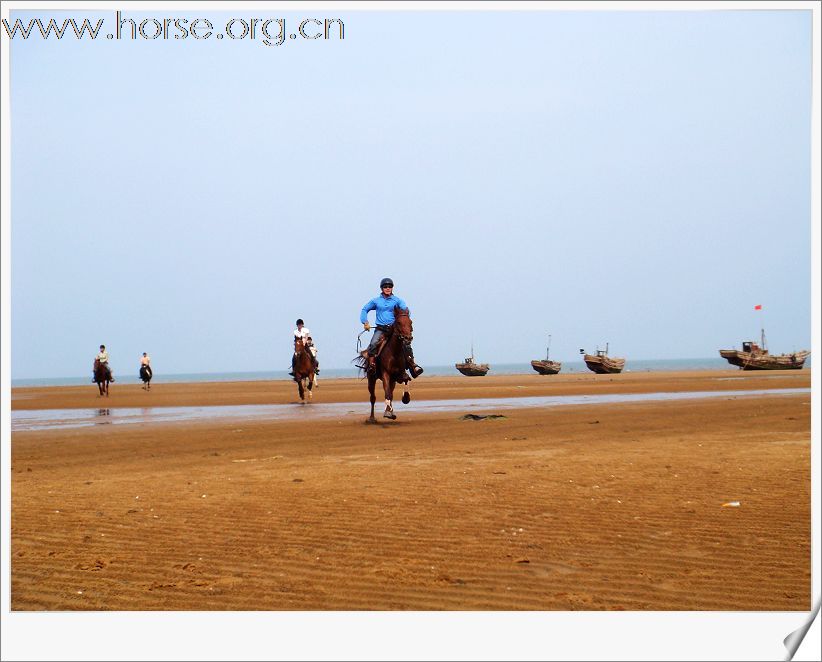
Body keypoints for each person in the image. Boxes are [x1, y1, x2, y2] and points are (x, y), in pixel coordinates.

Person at [360, 277, 423, 378]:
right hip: (381, 329)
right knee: (373, 344)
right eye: (385, 287)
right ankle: (371, 366)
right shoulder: (376, 301)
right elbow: (365, 309)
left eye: (390, 286)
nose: (388, 288)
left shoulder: (397, 300)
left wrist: (404, 319)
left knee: (406, 345)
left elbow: (406, 310)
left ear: (392, 288)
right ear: (382, 288)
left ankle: (413, 366)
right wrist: (365, 322)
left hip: (394, 329)